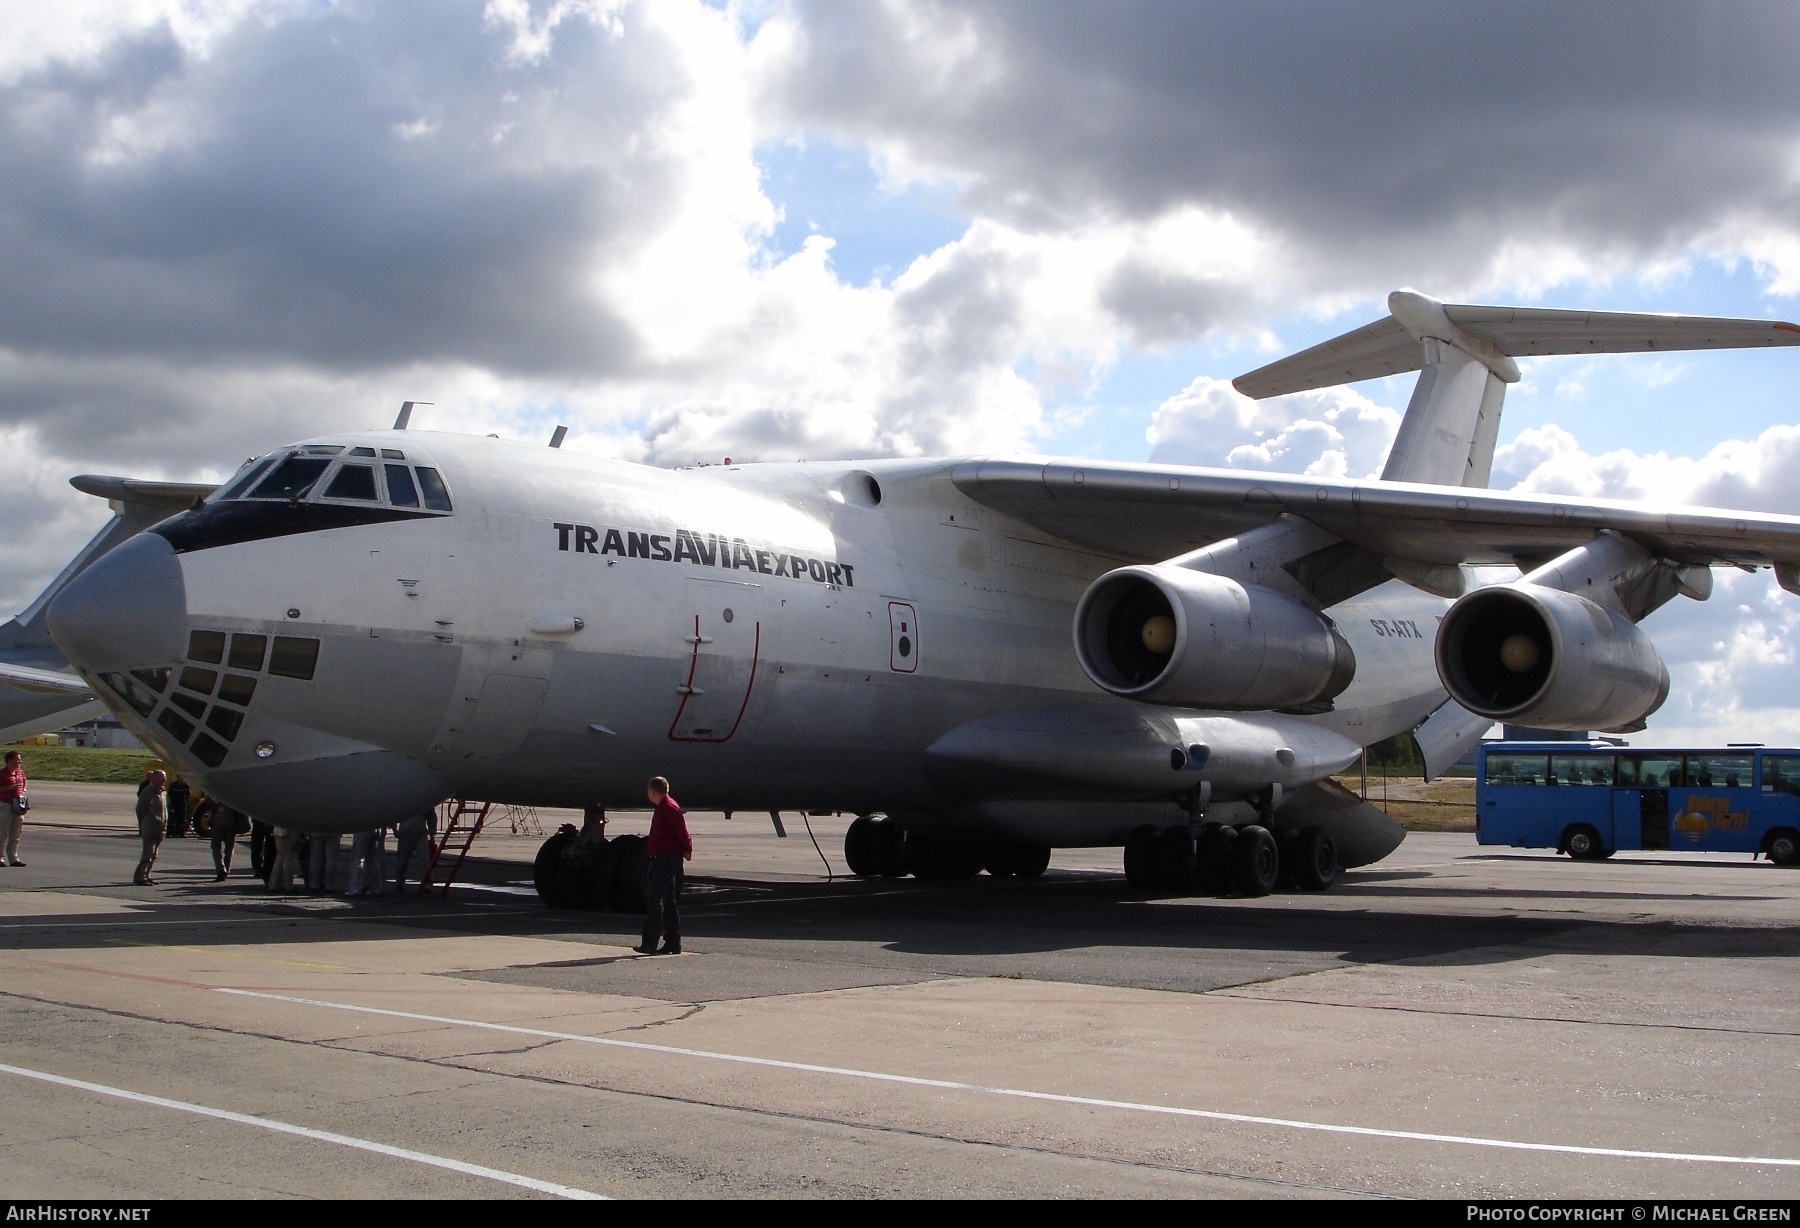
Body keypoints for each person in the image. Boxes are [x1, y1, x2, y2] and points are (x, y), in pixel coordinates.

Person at [635, 776, 691, 956]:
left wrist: (687, 849)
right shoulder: (664, 807)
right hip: (665, 857)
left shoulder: (668, 808)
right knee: (668, 900)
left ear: (652, 791)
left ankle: (650, 942)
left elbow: (681, 831)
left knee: (655, 899)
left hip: (668, 858)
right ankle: (673, 943)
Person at [134, 769, 167, 885]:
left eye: (164, 778)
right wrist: (143, 823)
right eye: (161, 778)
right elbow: (140, 809)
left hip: (160, 827)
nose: (164, 780)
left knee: (154, 854)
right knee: (148, 853)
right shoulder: (148, 791)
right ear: (154, 779)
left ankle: (147, 875)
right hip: (150, 826)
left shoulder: (162, 792)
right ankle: (139, 876)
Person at [392, 808, 435, 893]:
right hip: (405, 833)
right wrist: (394, 829)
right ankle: (399, 882)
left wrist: (432, 833)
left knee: (424, 860)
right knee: (402, 861)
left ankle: (427, 883)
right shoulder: (403, 801)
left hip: (421, 834)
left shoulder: (425, 802)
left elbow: (432, 816)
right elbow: (394, 813)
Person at [1, 750, 28, 867]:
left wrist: (22, 792)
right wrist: (10, 788)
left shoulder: (20, 772)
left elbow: (24, 783)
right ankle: (0, 858)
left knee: (16, 833)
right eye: (17, 759)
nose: (19, 761)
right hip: (6, 804)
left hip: (18, 805)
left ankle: (13, 858)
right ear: (9, 761)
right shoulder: (2, 773)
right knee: (2, 832)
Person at [347, 825, 387, 895]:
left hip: (362, 828)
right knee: (372, 859)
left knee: (358, 858)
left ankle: (355, 888)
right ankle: (376, 887)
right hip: (375, 828)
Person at [210, 804, 246, 880]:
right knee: (229, 849)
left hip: (218, 820)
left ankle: (221, 870)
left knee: (216, 847)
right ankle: (225, 870)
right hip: (231, 821)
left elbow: (208, 797)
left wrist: (216, 806)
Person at [268, 826, 299, 893]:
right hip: (289, 830)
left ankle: (274, 884)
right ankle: (289, 885)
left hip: (278, 829)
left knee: (279, 857)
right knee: (288, 857)